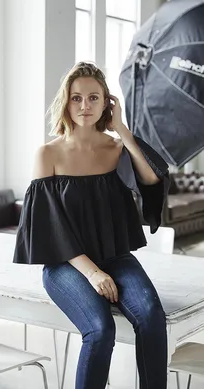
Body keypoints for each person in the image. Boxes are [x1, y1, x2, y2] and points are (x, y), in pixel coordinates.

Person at [14, 62, 170, 389]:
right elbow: (48, 225)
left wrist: (123, 130)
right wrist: (93, 272)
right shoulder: (47, 154)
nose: (85, 106)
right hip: (66, 264)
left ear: (106, 103)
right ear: (65, 102)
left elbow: (152, 179)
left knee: (152, 316)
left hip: (115, 256)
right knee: (100, 331)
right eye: (76, 98)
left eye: (94, 98)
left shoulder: (115, 149)